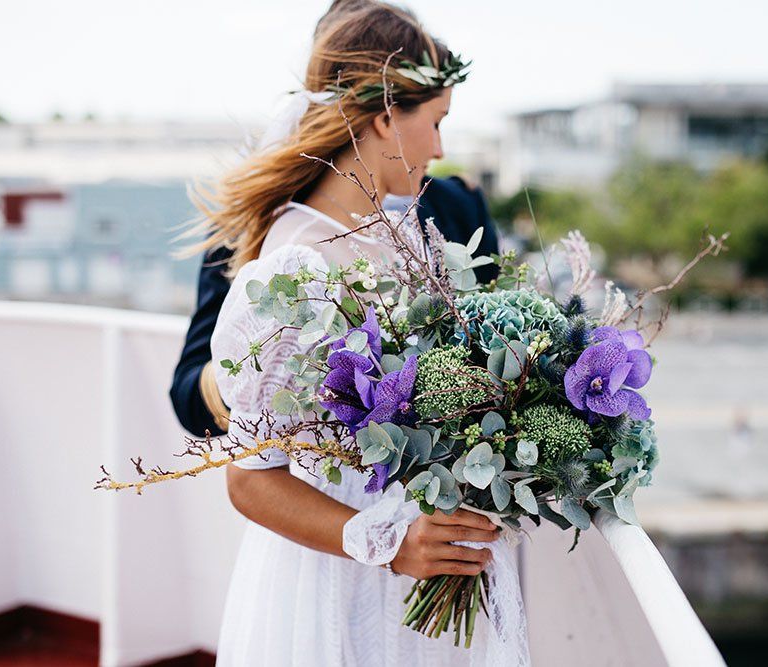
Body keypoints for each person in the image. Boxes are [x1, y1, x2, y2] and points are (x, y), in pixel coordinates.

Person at [186, 3, 528, 664]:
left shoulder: (411, 238)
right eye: (436, 122)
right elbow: (250, 480)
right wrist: (390, 541)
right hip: (339, 584)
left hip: (426, 577)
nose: (440, 148)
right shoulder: (295, 269)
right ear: (382, 120)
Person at [169, 0, 499, 440]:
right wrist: (270, 357)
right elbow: (194, 397)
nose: (439, 148)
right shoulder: (259, 226)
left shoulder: (458, 207)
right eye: (436, 122)